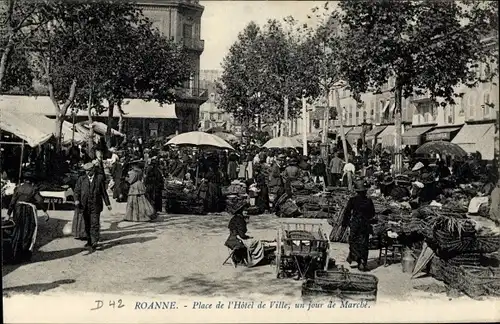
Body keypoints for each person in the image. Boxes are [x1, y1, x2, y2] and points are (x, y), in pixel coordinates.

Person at [6, 174, 50, 263]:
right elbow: (40, 200)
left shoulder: (18, 188)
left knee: (17, 231)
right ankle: (25, 255)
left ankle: (15, 255)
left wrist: (8, 214)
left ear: (24, 180)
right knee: (28, 231)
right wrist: (45, 211)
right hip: (28, 212)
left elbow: (12, 201)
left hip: (17, 211)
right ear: (31, 181)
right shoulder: (33, 189)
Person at [74, 162, 112, 253]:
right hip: (84, 205)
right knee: (87, 224)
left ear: (93, 170)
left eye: (89, 171)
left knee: (94, 224)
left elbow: (103, 192)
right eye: (86, 171)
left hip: (96, 205)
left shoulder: (99, 179)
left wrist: (108, 204)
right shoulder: (81, 179)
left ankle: (94, 242)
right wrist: (76, 200)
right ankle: (89, 241)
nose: (87, 173)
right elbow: (76, 191)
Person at [342, 180, 375, 271]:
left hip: (355, 223)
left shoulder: (353, 200)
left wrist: (345, 224)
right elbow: (372, 214)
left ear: (356, 191)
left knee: (353, 241)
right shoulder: (369, 201)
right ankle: (362, 262)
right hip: (365, 224)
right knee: (364, 243)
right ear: (365, 191)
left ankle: (356, 258)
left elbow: (347, 212)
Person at [224, 202, 265, 267]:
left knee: (252, 241)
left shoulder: (235, 218)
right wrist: (248, 237)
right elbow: (242, 235)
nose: (246, 213)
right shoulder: (240, 220)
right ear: (241, 212)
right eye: (244, 211)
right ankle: (254, 260)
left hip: (231, 237)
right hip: (237, 239)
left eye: (247, 211)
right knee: (257, 242)